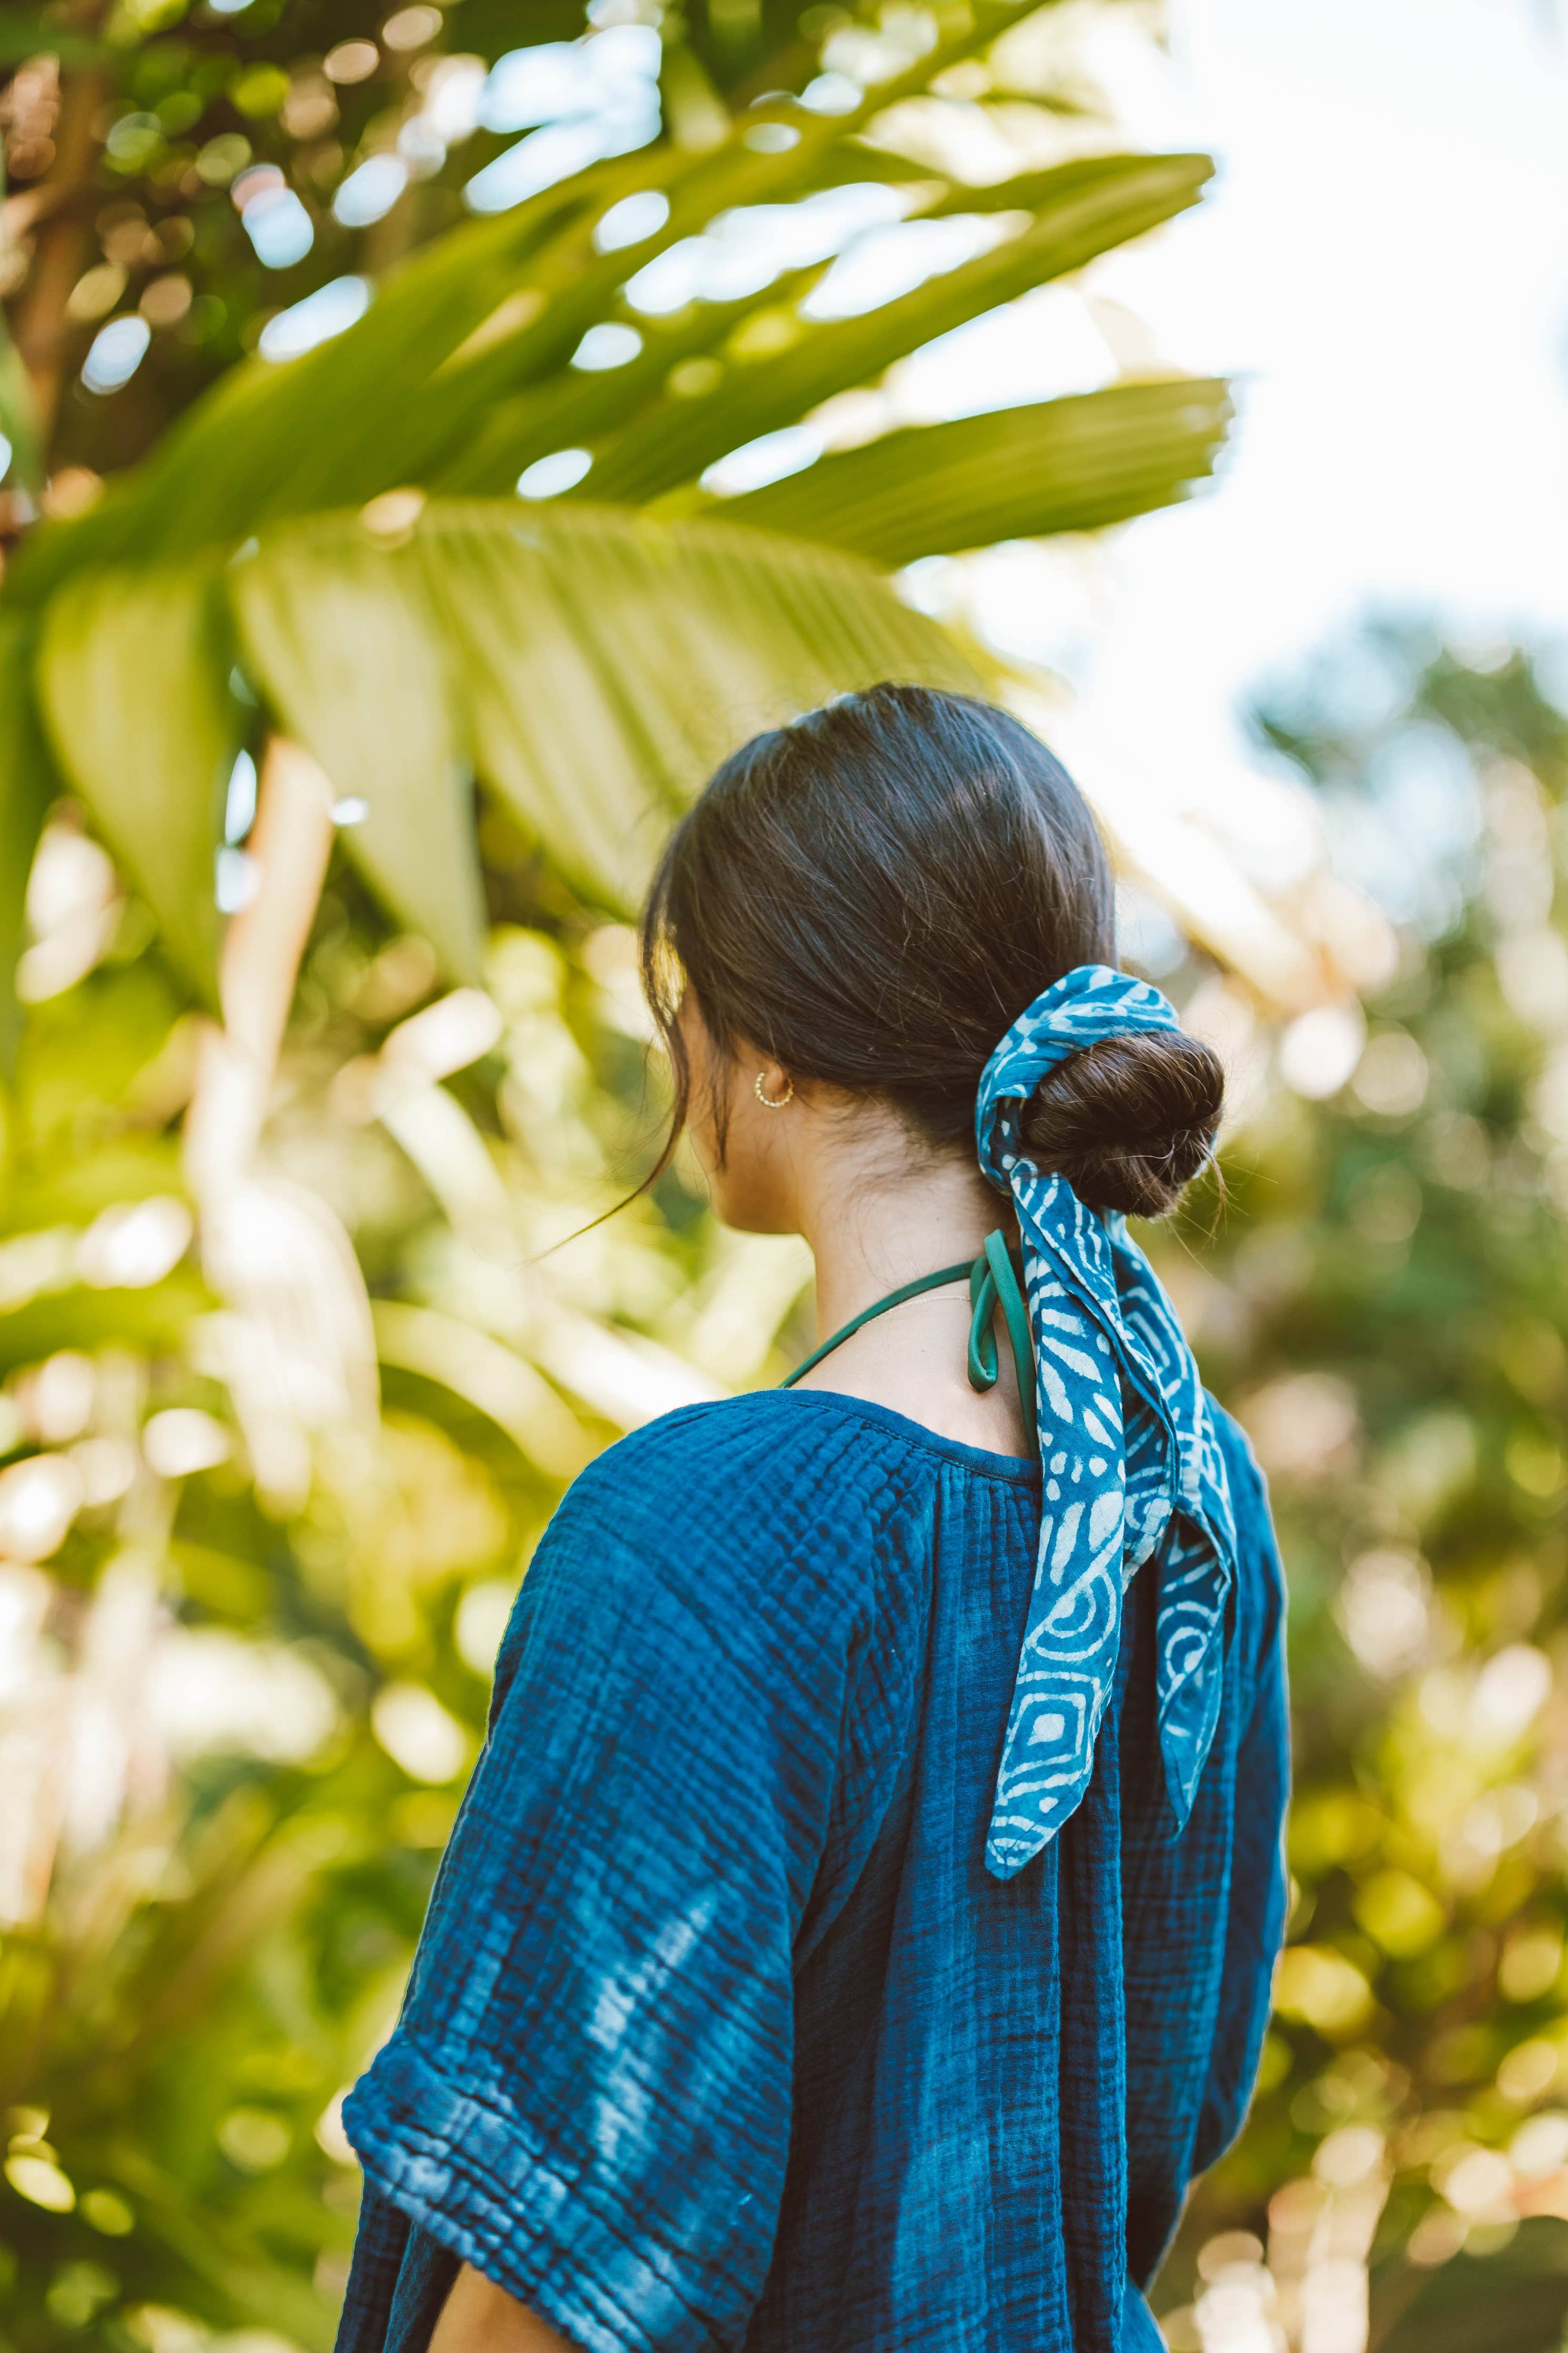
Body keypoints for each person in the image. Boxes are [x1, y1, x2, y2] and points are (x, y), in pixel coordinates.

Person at [334, 685, 1290, 2353]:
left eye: (681, 1000)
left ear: (766, 1047)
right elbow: (1185, 2086)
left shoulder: (707, 1536)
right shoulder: (1197, 1503)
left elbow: (568, 2267)